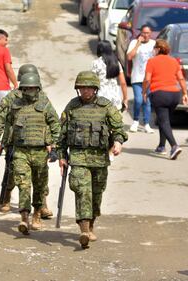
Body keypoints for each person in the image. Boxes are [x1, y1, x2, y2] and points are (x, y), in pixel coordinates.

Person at [56, 71, 127, 249]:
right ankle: (84, 230)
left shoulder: (106, 107)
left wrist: (118, 142)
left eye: (88, 88)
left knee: (96, 194)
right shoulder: (72, 107)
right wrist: (61, 156)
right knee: (83, 191)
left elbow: (118, 128)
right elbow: (61, 134)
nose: (85, 91)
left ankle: (92, 223)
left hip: (100, 159)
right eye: (82, 88)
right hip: (78, 158)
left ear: (95, 89)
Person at [0, 64, 54, 219]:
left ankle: (42, 204)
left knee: (40, 175)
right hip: (14, 140)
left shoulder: (42, 97)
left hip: (36, 142)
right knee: (12, 172)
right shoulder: (11, 98)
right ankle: (6, 197)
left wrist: (49, 141)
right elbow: (1, 118)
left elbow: (49, 119)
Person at [2, 73, 60, 235]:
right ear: (22, 89)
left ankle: (37, 215)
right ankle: (24, 217)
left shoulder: (45, 105)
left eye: (33, 88)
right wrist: (5, 143)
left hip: (40, 152)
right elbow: (9, 125)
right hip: (21, 151)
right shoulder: (15, 105)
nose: (30, 91)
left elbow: (55, 124)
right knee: (23, 185)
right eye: (26, 88)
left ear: (38, 89)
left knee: (40, 186)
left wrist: (55, 146)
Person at [142, 39, 188, 160]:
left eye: (154, 48)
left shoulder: (152, 61)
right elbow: (181, 79)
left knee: (163, 121)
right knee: (164, 120)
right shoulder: (174, 61)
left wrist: (144, 92)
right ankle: (161, 146)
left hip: (160, 94)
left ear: (157, 49)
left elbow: (147, 79)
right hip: (174, 94)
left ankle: (174, 146)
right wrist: (185, 93)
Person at [126, 25, 155, 133]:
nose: (145, 35)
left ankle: (146, 124)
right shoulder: (134, 42)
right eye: (143, 33)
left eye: (147, 33)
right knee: (138, 100)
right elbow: (129, 57)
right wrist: (138, 44)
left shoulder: (153, 44)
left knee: (146, 101)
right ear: (141, 33)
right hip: (137, 77)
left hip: (149, 78)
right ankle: (135, 121)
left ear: (150, 33)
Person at [92, 40, 128, 111]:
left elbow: (93, 82)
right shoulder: (116, 63)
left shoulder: (96, 63)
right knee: (115, 121)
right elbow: (123, 83)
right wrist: (125, 99)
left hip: (100, 99)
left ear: (99, 49)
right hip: (115, 99)